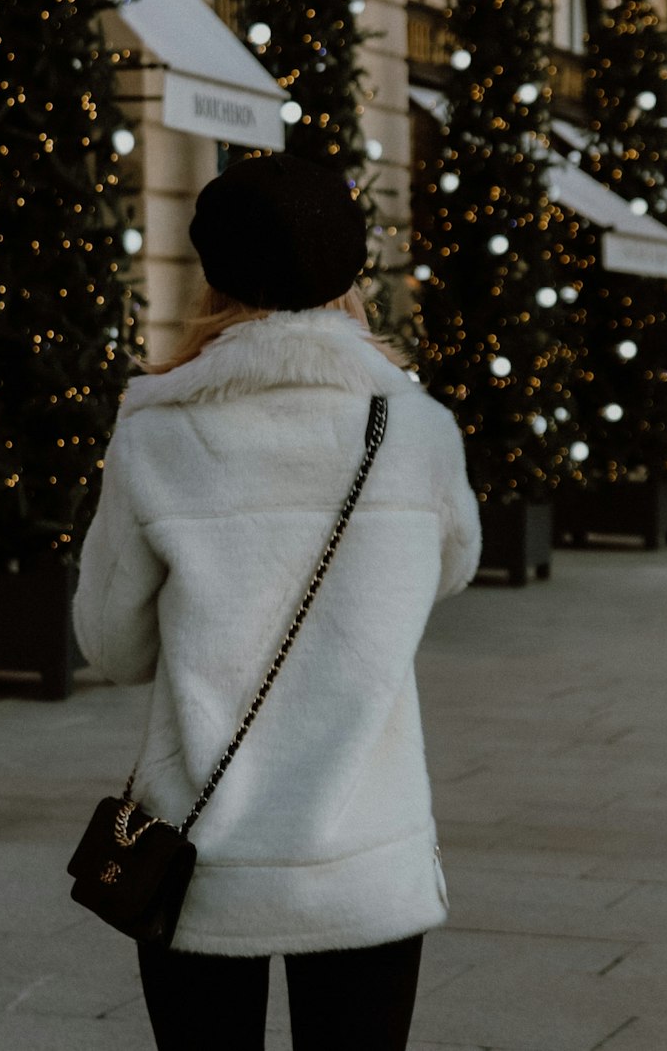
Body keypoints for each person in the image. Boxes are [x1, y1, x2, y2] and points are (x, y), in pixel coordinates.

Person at [73, 152, 481, 1051]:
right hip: (364, 857)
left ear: (212, 275)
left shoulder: (155, 433)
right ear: (349, 273)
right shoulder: (416, 430)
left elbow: (110, 646)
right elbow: (451, 572)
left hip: (200, 859)